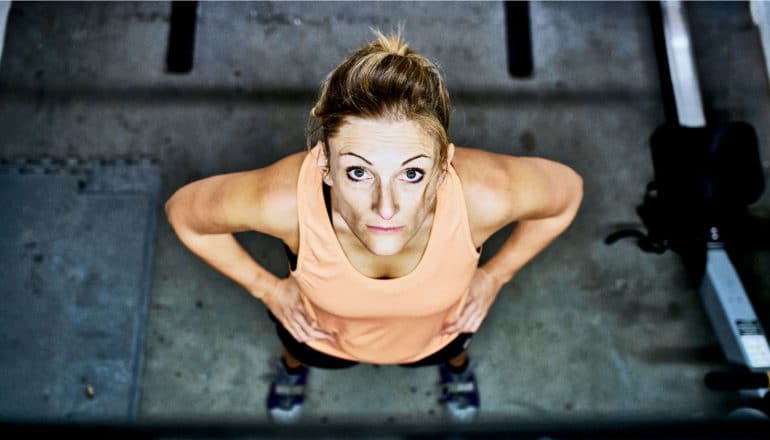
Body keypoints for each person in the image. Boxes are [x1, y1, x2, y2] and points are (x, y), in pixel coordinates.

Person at [164, 30, 583, 424]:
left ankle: (456, 371)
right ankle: (293, 372)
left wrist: (494, 277)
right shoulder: (287, 201)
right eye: (359, 173)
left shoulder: (484, 196)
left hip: (440, 334)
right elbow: (184, 212)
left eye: (413, 174)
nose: (386, 208)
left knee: (455, 351)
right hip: (319, 335)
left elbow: (567, 193)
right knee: (297, 353)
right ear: (325, 165)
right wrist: (267, 289)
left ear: (442, 168)